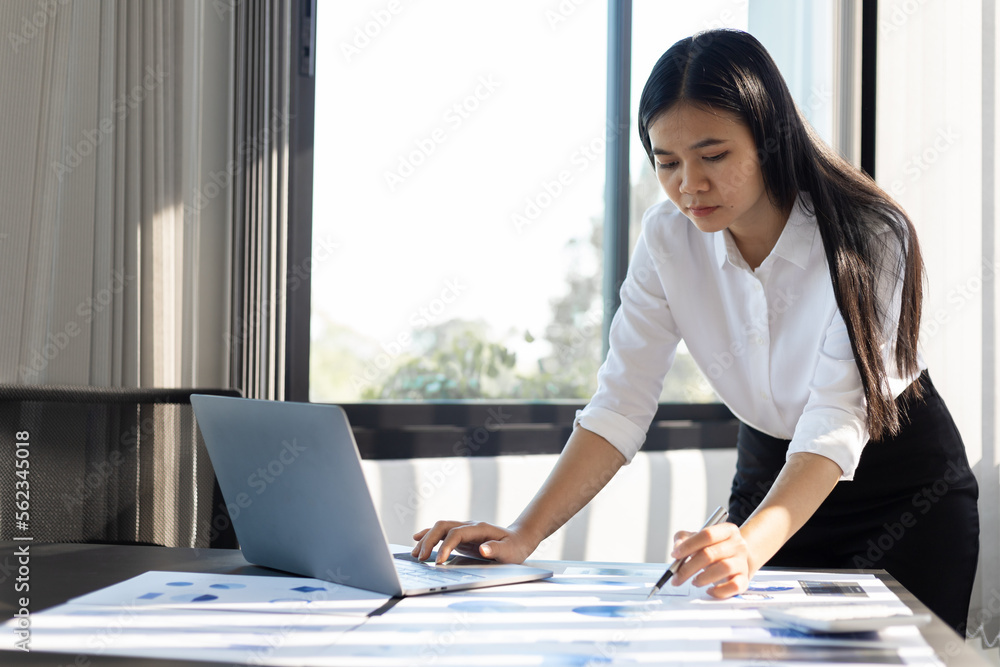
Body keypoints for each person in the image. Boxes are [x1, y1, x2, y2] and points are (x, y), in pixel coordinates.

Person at [411, 29, 979, 633]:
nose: (689, 185)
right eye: (667, 162)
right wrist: (522, 536)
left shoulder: (869, 235)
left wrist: (752, 545)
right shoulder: (666, 239)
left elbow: (837, 418)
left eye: (713, 157)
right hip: (769, 482)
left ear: (770, 139)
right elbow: (621, 403)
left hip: (900, 493)